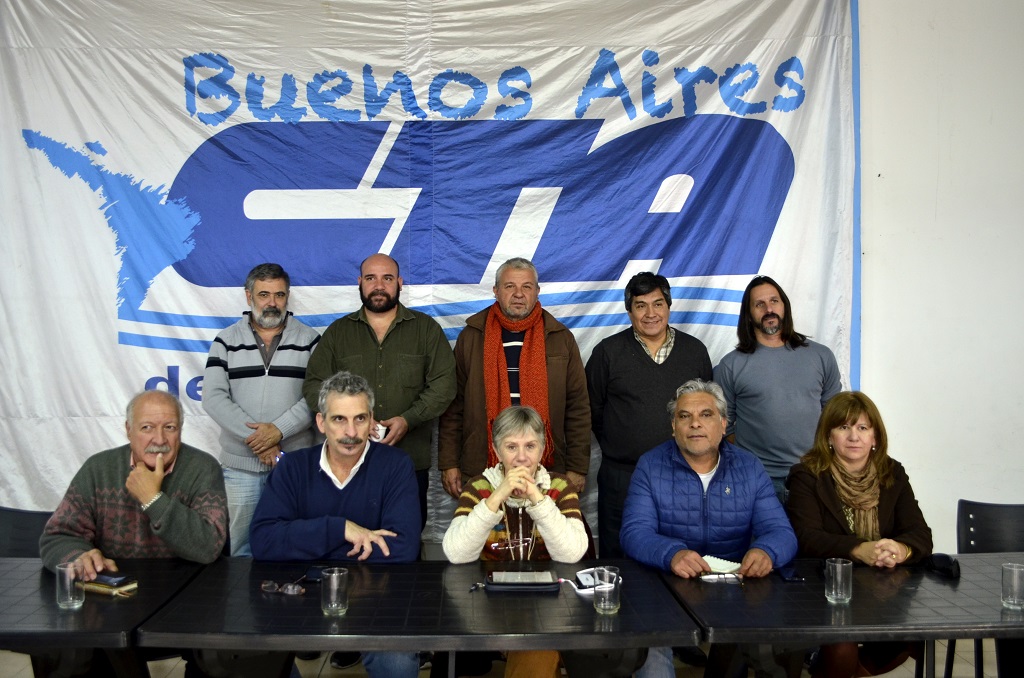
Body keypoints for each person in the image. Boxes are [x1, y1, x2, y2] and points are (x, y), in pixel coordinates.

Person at [38, 389, 228, 677]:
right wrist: (78, 556)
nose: (159, 439)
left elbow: (209, 546)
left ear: (181, 429)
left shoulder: (203, 468)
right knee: (70, 654)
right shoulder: (98, 468)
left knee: (218, 660)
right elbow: (57, 535)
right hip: (114, 604)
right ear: (128, 430)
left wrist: (153, 500)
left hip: (185, 602)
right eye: (147, 427)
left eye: (169, 427)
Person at [621, 379, 797, 678]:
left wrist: (766, 551)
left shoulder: (749, 467)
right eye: (684, 416)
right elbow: (634, 532)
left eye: (706, 414)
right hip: (664, 584)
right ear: (673, 426)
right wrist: (672, 554)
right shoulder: (650, 465)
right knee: (651, 657)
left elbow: (782, 532)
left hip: (734, 587)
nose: (695, 424)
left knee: (776, 643)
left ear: (723, 424)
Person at [251, 371, 420, 678]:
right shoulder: (293, 467)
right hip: (302, 592)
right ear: (321, 422)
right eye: (339, 419)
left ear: (371, 421)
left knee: (398, 663)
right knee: (256, 652)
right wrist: (341, 528)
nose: (351, 432)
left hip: (376, 597)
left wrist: (310, 548)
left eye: (360, 419)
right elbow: (263, 541)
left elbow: (404, 547)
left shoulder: (396, 465)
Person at [302, 253, 455, 530]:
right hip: (348, 461)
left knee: (406, 537)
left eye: (387, 278)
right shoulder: (338, 333)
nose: (379, 286)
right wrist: (352, 419)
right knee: (351, 537)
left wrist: (409, 419)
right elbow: (314, 386)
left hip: (409, 462)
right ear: (360, 282)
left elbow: (444, 385)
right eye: (371, 278)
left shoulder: (426, 330)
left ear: (400, 283)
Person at [786, 391, 932, 677]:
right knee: (842, 647)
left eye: (863, 427)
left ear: (875, 437)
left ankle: (839, 669)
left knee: (913, 635)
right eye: (844, 427)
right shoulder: (807, 475)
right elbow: (806, 537)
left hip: (882, 585)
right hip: (825, 586)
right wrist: (858, 549)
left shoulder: (892, 473)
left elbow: (919, 533)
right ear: (829, 436)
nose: (854, 436)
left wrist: (900, 550)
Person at [441, 405, 590, 678]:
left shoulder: (559, 487)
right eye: (511, 447)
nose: (522, 457)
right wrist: (497, 496)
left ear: (542, 449)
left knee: (536, 650)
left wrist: (537, 498)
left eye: (530, 446)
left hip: (548, 604)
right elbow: (456, 553)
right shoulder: (478, 487)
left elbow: (572, 553)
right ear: (496, 451)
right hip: (488, 603)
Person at [439, 257, 590, 500]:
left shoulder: (560, 338)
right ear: (496, 291)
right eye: (510, 286)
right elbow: (453, 406)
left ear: (537, 291)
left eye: (526, 287)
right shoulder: (472, 337)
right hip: (482, 466)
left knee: (543, 526)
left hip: (547, 470)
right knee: (484, 525)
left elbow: (578, 408)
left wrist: (577, 467)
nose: (518, 294)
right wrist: (449, 463)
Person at [586, 271, 712, 559]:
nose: (651, 313)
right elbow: (592, 410)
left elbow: (707, 411)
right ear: (629, 310)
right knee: (619, 555)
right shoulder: (607, 352)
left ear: (669, 306)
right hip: (622, 476)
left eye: (658, 304)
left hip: (682, 474)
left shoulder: (695, 351)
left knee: (680, 555)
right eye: (641, 305)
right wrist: (624, 441)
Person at [203, 262, 320, 556]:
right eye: (264, 294)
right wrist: (261, 441)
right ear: (248, 296)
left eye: (279, 295)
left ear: (287, 296)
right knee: (241, 551)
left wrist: (278, 431)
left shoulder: (311, 341)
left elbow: (318, 398)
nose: (272, 303)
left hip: (292, 466)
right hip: (240, 469)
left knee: (293, 548)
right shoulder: (225, 341)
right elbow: (213, 398)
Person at [714, 275, 842, 501]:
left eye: (774, 301)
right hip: (757, 481)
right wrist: (750, 462)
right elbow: (723, 425)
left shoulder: (821, 356)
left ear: (785, 306)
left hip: (814, 475)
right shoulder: (730, 366)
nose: (769, 309)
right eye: (759, 304)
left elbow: (835, 416)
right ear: (748, 314)